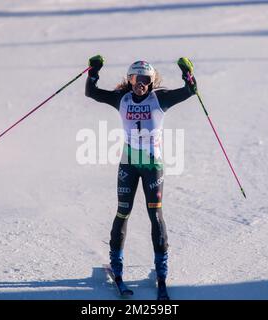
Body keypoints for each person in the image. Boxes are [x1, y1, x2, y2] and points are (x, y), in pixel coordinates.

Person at [85, 55, 197, 300]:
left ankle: (162, 272)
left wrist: (187, 73)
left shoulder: (160, 99)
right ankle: (117, 265)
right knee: (122, 212)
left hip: (151, 165)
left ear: (151, 80)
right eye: (136, 78)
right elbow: (91, 93)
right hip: (128, 163)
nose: (141, 83)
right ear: (130, 79)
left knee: (155, 215)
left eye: (146, 79)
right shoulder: (122, 99)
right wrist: (93, 71)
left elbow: (190, 91)